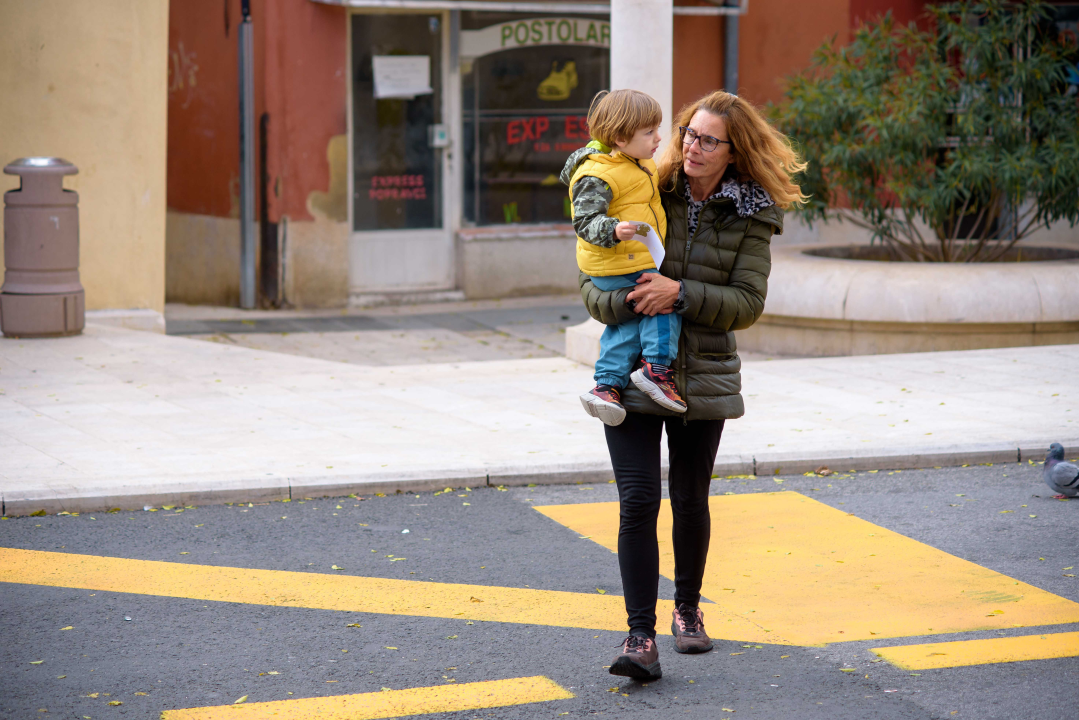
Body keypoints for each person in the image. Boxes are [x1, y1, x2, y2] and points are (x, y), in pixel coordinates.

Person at [579, 91, 807, 680]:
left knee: (688, 499)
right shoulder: (645, 186)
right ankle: (639, 638)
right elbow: (590, 282)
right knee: (637, 502)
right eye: (688, 134)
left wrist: (678, 293)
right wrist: (631, 298)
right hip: (635, 373)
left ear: (735, 152)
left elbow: (748, 303)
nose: (691, 148)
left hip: (701, 373)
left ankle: (686, 610)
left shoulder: (752, 214)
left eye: (708, 140)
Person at [560, 89, 686, 429]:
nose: (659, 138)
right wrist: (614, 229)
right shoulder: (597, 173)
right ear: (619, 137)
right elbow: (584, 220)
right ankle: (657, 370)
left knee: (626, 325)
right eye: (649, 132)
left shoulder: (635, 160)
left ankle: (607, 386)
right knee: (660, 304)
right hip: (618, 262)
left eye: (657, 129)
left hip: (627, 259)